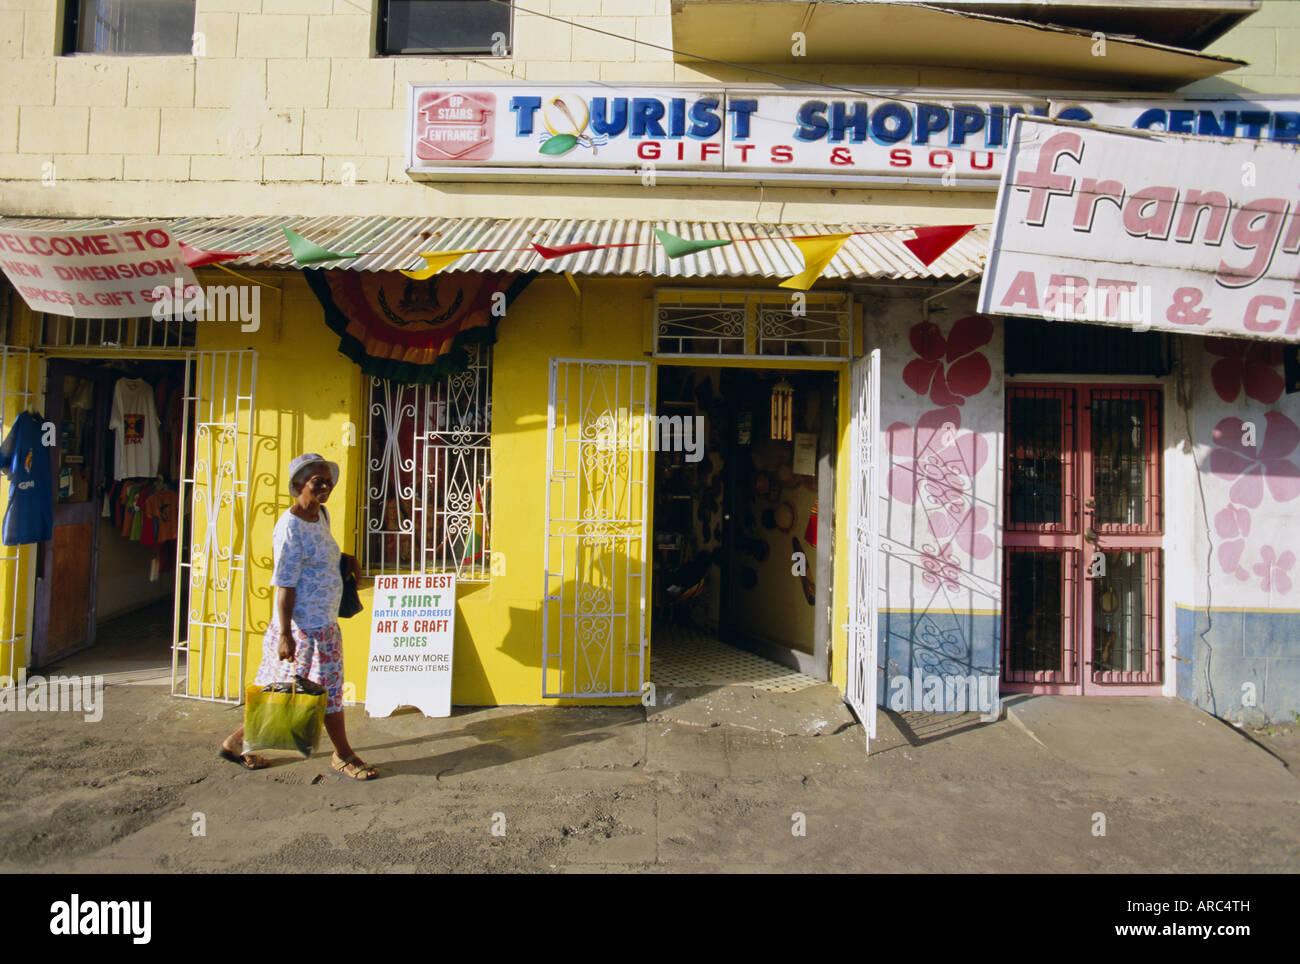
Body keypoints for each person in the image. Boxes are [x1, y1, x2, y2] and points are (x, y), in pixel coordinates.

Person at [219, 453, 378, 779]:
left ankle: (235, 743)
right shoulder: (290, 528)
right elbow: (285, 584)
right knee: (324, 692)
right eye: (317, 481)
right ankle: (343, 755)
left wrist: (346, 558)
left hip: (324, 624)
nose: (325, 486)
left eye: (328, 480)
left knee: (282, 689)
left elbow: (323, 551)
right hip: (304, 629)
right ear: (297, 485)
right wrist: (286, 635)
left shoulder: (321, 516)